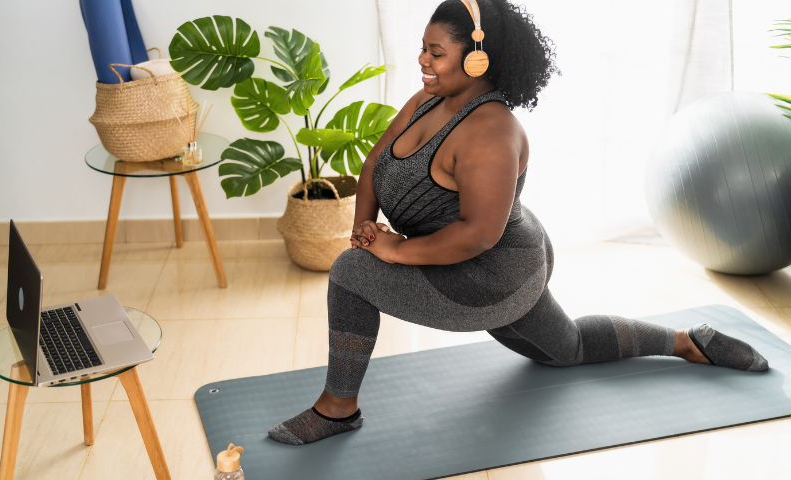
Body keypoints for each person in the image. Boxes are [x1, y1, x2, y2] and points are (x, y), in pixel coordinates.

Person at [267, 0, 769, 446]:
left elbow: (477, 234)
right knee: (564, 348)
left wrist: (391, 250)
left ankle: (338, 409)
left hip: (493, 274)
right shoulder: (427, 101)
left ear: (477, 57)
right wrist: (365, 228)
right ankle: (687, 341)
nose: (422, 60)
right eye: (423, 47)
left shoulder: (491, 131)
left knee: (351, 274)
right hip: (465, 255)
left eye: (435, 52)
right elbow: (376, 159)